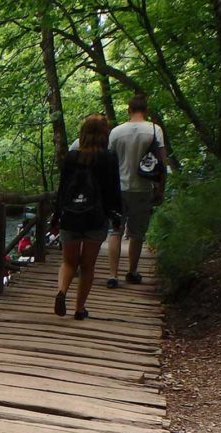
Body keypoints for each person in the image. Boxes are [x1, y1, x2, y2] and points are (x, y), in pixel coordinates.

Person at [49, 114, 122, 320]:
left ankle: (62, 290)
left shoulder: (71, 157)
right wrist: (116, 215)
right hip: (95, 217)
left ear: (83, 133)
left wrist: (56, 217)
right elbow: (113, 191)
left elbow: (62, 190)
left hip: (71, 216)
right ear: (104, 134)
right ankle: (79, 309)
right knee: (87, 266)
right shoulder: (109, 157)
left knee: (68, 262)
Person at [105, 95, 167, 286]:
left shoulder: (115, 132)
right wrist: (160, 188)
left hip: (119, 188)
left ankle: (113, 275)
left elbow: (109, 162)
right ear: (146, 110)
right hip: (143, 188)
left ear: (128, 110)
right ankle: (132, 271)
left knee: (115, 231)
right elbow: (162, 163)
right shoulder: (154, 130)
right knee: (137, 234)